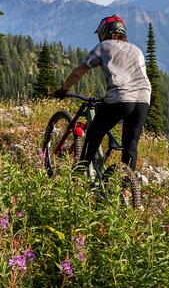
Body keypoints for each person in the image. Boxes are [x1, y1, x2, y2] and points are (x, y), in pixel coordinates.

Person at [54, 14, 152, 171]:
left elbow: (78, 73)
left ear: (104, 32)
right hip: (144, 100)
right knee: (130, 146)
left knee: (94, 134)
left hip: (120, 98)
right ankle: (125, 189)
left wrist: (63, 89)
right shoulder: (137, 50)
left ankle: (80, 175)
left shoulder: (104, 46)